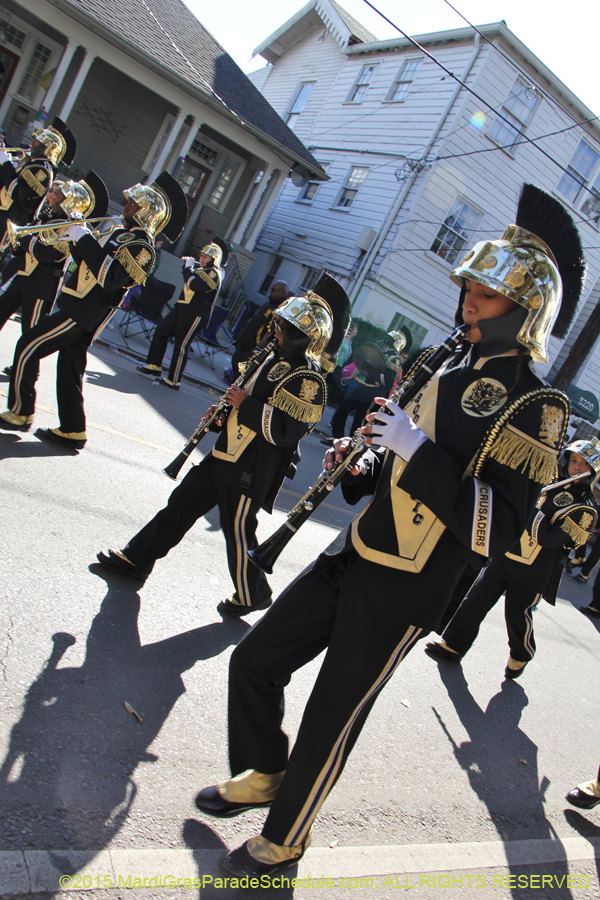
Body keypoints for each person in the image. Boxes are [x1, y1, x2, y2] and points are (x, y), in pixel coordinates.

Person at [193, 183, 583, 878]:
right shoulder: (449, 369)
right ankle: (267, 770)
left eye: (486, 295)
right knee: (256, 660)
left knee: (332, 713)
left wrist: (414, 450)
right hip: (357, 551)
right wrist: (365, 463)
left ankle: (286, 837)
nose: (468, 300)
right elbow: (397, 469)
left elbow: (501, 528)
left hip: (410, 584)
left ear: (522, 312)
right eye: (469, 287)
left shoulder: (537, 406)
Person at [96, 274, 349, 617]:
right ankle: (136, 559)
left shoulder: (307, 377)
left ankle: (253, 593)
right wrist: (222, 413)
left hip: (251, 468)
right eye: (281, 323)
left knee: (239, 533)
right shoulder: (272, 357)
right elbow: (244, 397)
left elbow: (286, 432)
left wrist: (244, 404)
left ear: (304, 337)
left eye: (286, 326)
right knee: (180, 505)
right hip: (226, 453)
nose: (278, 329)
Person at [0, 171, 187, 449]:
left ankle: (21, 411)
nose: (125, 206)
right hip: (79, 303)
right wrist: (76, 236)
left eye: (133, 205)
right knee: (69, 367)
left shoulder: (141, 246)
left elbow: (110, 278)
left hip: (85, 310)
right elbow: (85, 261)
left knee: (28, 344)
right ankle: (73, 429)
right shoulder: (123, 234)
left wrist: (84, 238)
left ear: (146, 212)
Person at [425, 440, 599, 678]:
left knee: (517, 614)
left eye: (583, 465)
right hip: (508, 553)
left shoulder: (587, 509)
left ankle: (522, 653)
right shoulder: (551, 482)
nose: (575, 468)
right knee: (477, 597)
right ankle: (454, 645)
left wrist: (530, 510)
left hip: (535, 568)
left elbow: (548, 538)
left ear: (594, 470)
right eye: (573, 462)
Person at [0, 171, 109, 371]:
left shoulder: (68, 226)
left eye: (58, 194)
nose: (52, 196)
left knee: (30, 334)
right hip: (25, 274)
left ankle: (24, 372)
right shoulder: (48, 215)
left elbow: (46, 254)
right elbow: (27, 242)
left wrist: (24, 239)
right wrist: (17, 243)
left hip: (42, 285)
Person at [136, 237, 228, 390]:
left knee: (181, 345)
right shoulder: (202, 270)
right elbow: (189, 280)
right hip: (182, 308)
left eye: (205, 256)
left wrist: (187, 268)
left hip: (195, 313)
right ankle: (154, 365)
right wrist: (188, 268)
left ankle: (174, 380)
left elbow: (194, 284)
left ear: (214, 259)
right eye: (201, 256)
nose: (201, 258)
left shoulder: (213, 273)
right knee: (161, 331)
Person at [0, 116, 76, 251]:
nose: (31, 143)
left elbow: (17, 193)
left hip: (11, 219)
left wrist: (6, 163)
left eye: (36, 141)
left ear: (46, 148)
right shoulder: (35, 163)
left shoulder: (43, 170)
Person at [230, 280, 290, 378]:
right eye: (271, 288)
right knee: (235, 363)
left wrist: (257, 349)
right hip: (244, 343)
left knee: (242, 373)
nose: (270, 291)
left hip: (253, 347)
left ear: (282, 293)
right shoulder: (268, 304)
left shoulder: (279, 310)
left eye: (274, 289)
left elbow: (270, 331)